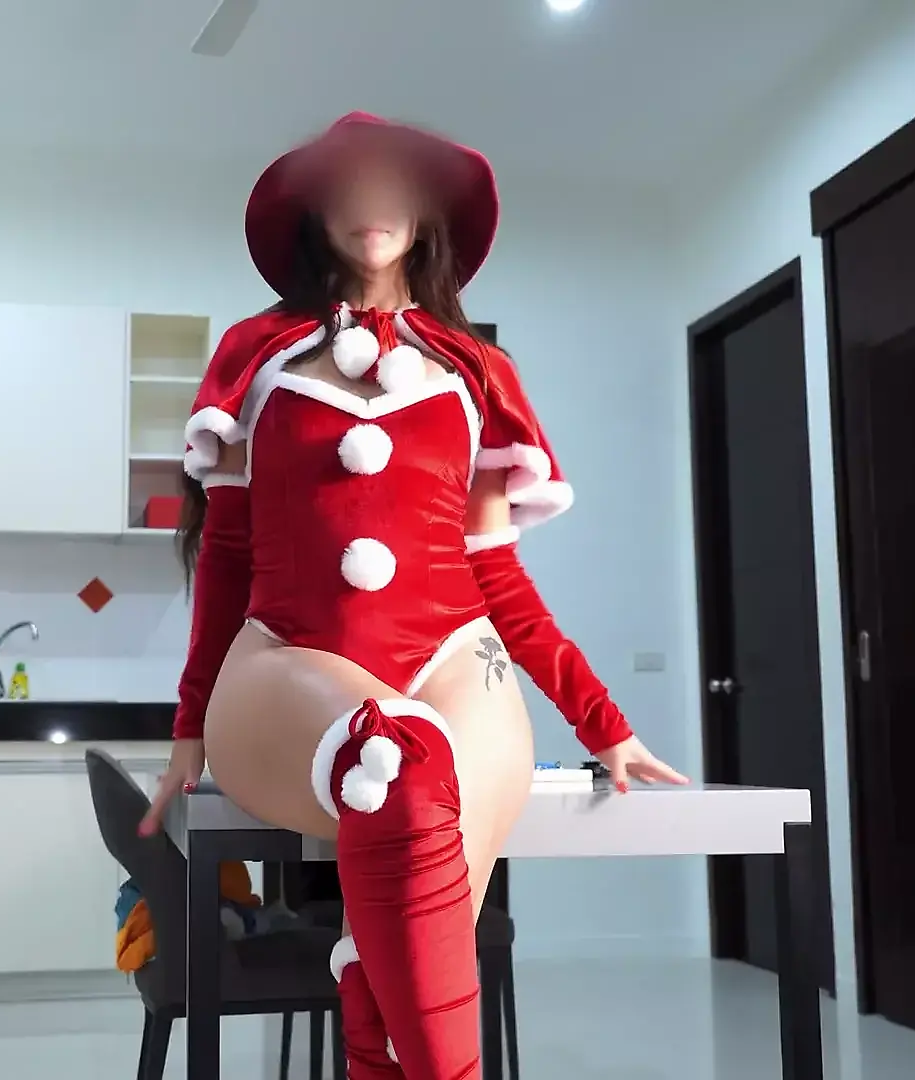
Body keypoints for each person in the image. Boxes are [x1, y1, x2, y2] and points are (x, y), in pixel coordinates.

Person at [137, 111, 687, 1080]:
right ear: (314, 211)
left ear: (429, 212)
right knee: (392, 761)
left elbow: (499, 578)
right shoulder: (254, 359)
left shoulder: (478, 374)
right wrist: (190, 730)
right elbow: (225, 555)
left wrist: (602, 723)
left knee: (402, 944)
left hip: (458, 661)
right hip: (289, 654)